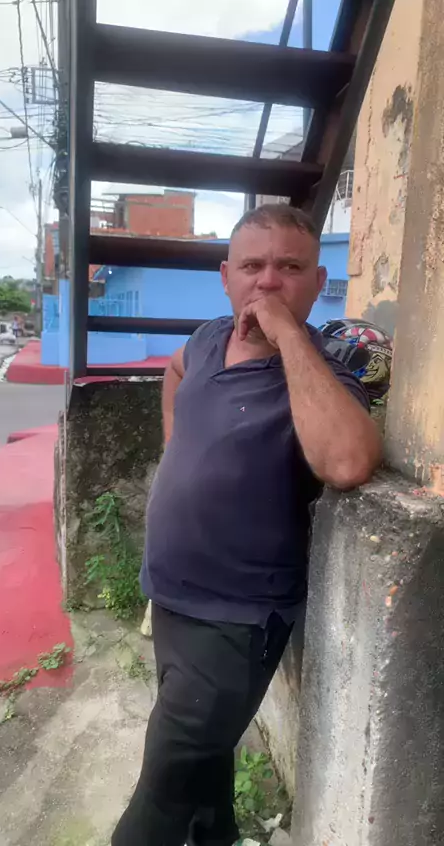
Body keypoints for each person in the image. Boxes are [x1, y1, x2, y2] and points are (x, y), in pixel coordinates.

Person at [111, 203, 382, 846]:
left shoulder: (324, 371)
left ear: (318, 282)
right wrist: (177, 448)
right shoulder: (208, 339)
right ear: (226, 276)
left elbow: (347, 462)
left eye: (289, 267)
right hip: (171, 595)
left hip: (236, 621)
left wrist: (287, 336)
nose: (267, 281)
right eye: (252, 266)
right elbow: (175, 369)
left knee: (158, 796)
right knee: (202, 768)